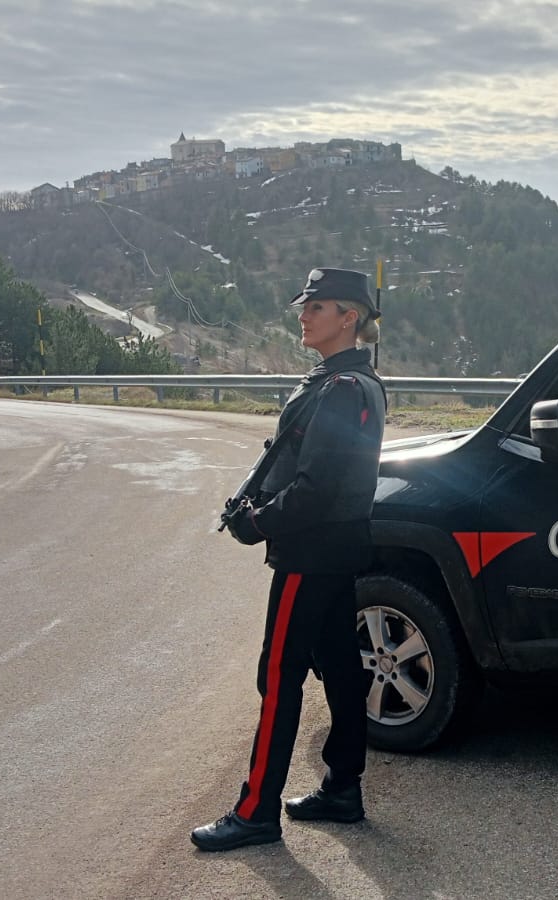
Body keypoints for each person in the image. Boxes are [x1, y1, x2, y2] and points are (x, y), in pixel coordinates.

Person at [191, 268, 387, 852]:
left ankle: (255, 811)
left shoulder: (338, 389)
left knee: (278, 677)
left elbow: (315, 489)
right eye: (304, 305)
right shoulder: (355, 382)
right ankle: (342, 791)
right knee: (342, 668)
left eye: (317, 306)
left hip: (309, 552)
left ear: (348, 317)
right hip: (337, 550)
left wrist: (256, 523)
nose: (303, 315)